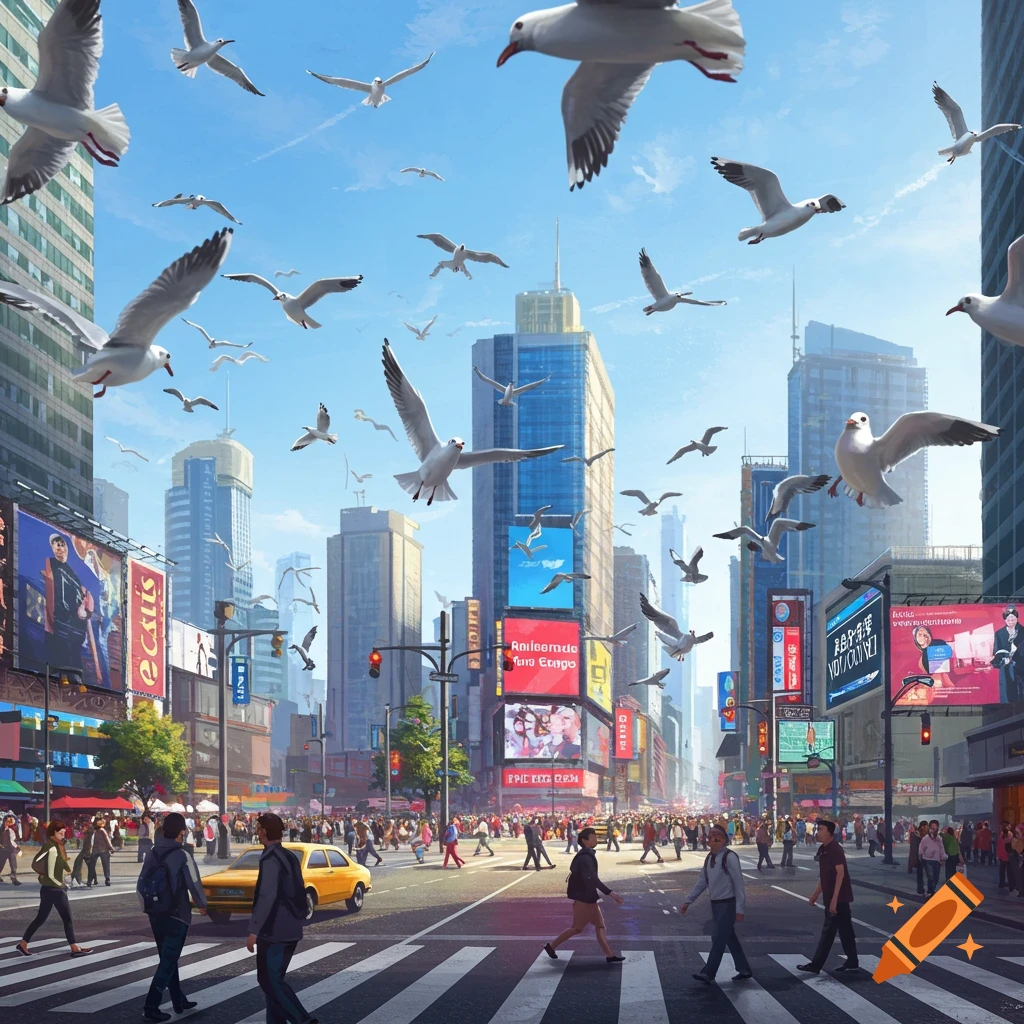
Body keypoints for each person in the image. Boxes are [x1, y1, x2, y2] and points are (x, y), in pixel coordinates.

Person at [137, 811, 207, 1022]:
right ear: (181, 832)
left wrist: (148, 906)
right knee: (168, 960)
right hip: (177, 914)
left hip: (155, 913)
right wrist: (203, 904)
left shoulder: (152, 852)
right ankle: (151, 1006)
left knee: (168, 957)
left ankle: (178, 999)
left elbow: (141, 882)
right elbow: (193, 882)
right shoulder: (182, 855)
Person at [247, 813, 317, 1024]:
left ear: (265, 832)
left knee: (268, 981)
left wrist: (254, 930)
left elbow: (267, 896)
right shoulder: (289, 856)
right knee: (274, 983)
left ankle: (303, 1019)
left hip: (274, 930)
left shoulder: (270, 859)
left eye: (258, 829)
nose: (257, 833)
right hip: (292, 927)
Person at [681, 824, 751, 986]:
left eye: (716, 837)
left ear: (724, 839)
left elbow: (739, 884)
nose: (712, 840)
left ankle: (708, 973)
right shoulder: (710, 857)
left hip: (728, 905)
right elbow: (702, 881)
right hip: (715, 905)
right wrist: (688, 900)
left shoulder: (730, 857)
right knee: (729, 938)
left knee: (718, 937)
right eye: (710, 837)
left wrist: (740, 909)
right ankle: (745, 969)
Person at [543, 827, 625, 964]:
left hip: (589, 897)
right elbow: (592, 878)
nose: (595, 838)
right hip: (584, 899)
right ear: (584, 840)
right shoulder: (585, 857)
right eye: (592, 836)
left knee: (600, 926)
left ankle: (609, 955)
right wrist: (611, 893)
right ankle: (551, 946)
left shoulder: (587, 855)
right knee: (577, 928)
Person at [17, 819, 92, 957]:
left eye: (64, 833)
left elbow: (60, 864)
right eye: (61, 833)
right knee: (67, 918)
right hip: (55, 889)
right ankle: (74, 947)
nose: (64, 836)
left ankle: (23, 944)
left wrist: (67, 869)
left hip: (48, 889)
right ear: (54, 833)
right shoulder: (52, 848)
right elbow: (51, 874)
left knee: (41, 918)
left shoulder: (56, 846)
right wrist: (61, 885)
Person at [797, 820, 859, 975]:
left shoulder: (835, 849)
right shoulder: (823, 849)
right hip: (834, 898)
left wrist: (834, 900)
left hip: (838, 898)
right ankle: (852, 961)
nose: (818, 831)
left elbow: (841, 874)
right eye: (818, 829)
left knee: (828, 932)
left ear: (830, 832)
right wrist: (815, 895)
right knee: (845, 930)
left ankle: (815, 965)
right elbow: (824, 877)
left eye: (821, 829)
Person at [41, 531, 93, 670]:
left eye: (62, 544)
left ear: (67, 548)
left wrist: (84, 611)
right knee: (59, 651)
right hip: (59, 621)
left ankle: (75, 678)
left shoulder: (74, 576)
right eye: (55, 545)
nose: (59, 547)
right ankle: (64, 676)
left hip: (73, 624)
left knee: (73, 654)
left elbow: (87, 601)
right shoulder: (50, 563)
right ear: (52, 548)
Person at [992, 605, 1024, 704]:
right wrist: (1002, 660)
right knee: (1008, 697)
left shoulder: (1023, 631)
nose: (1010, 620)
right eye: (1008, 618)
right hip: (1006, 671)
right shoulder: (999, 634)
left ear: (1016, 618)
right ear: (1005, 619)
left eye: (1012, 618)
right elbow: (996, 653)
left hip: (1021, 670)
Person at [919, 820, 946, 896]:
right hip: (927, 860)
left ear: (937, 827)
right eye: (932, 825)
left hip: (937, 860)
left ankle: (932, 890)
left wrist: (942, 857)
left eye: (935, 825)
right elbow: (921, 848)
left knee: (936, 877)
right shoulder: (926, 838)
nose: (933, 827)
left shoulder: (939, 838)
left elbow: (941, 849)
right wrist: (921, 857)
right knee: (930, 876)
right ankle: (930, 891)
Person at [87, 816, 113, 886]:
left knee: (92, 865)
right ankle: (107, 879)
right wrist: (111, 848)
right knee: (106, 865)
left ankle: (89, 880)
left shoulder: (92, 830)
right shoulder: (102, 830)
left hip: (95, 849)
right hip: (103, 850)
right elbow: (107, 840)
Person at [0, 813, 21, 884]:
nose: (10, 823)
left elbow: (15, 840)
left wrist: (18, 848)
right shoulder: (2, 829)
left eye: (11, 821)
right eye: (8, 821)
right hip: (3, 849)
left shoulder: (14, 829)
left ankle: (14, 877)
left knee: (13, 864)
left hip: (11, 849)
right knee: (1, 864)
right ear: (4, 821)